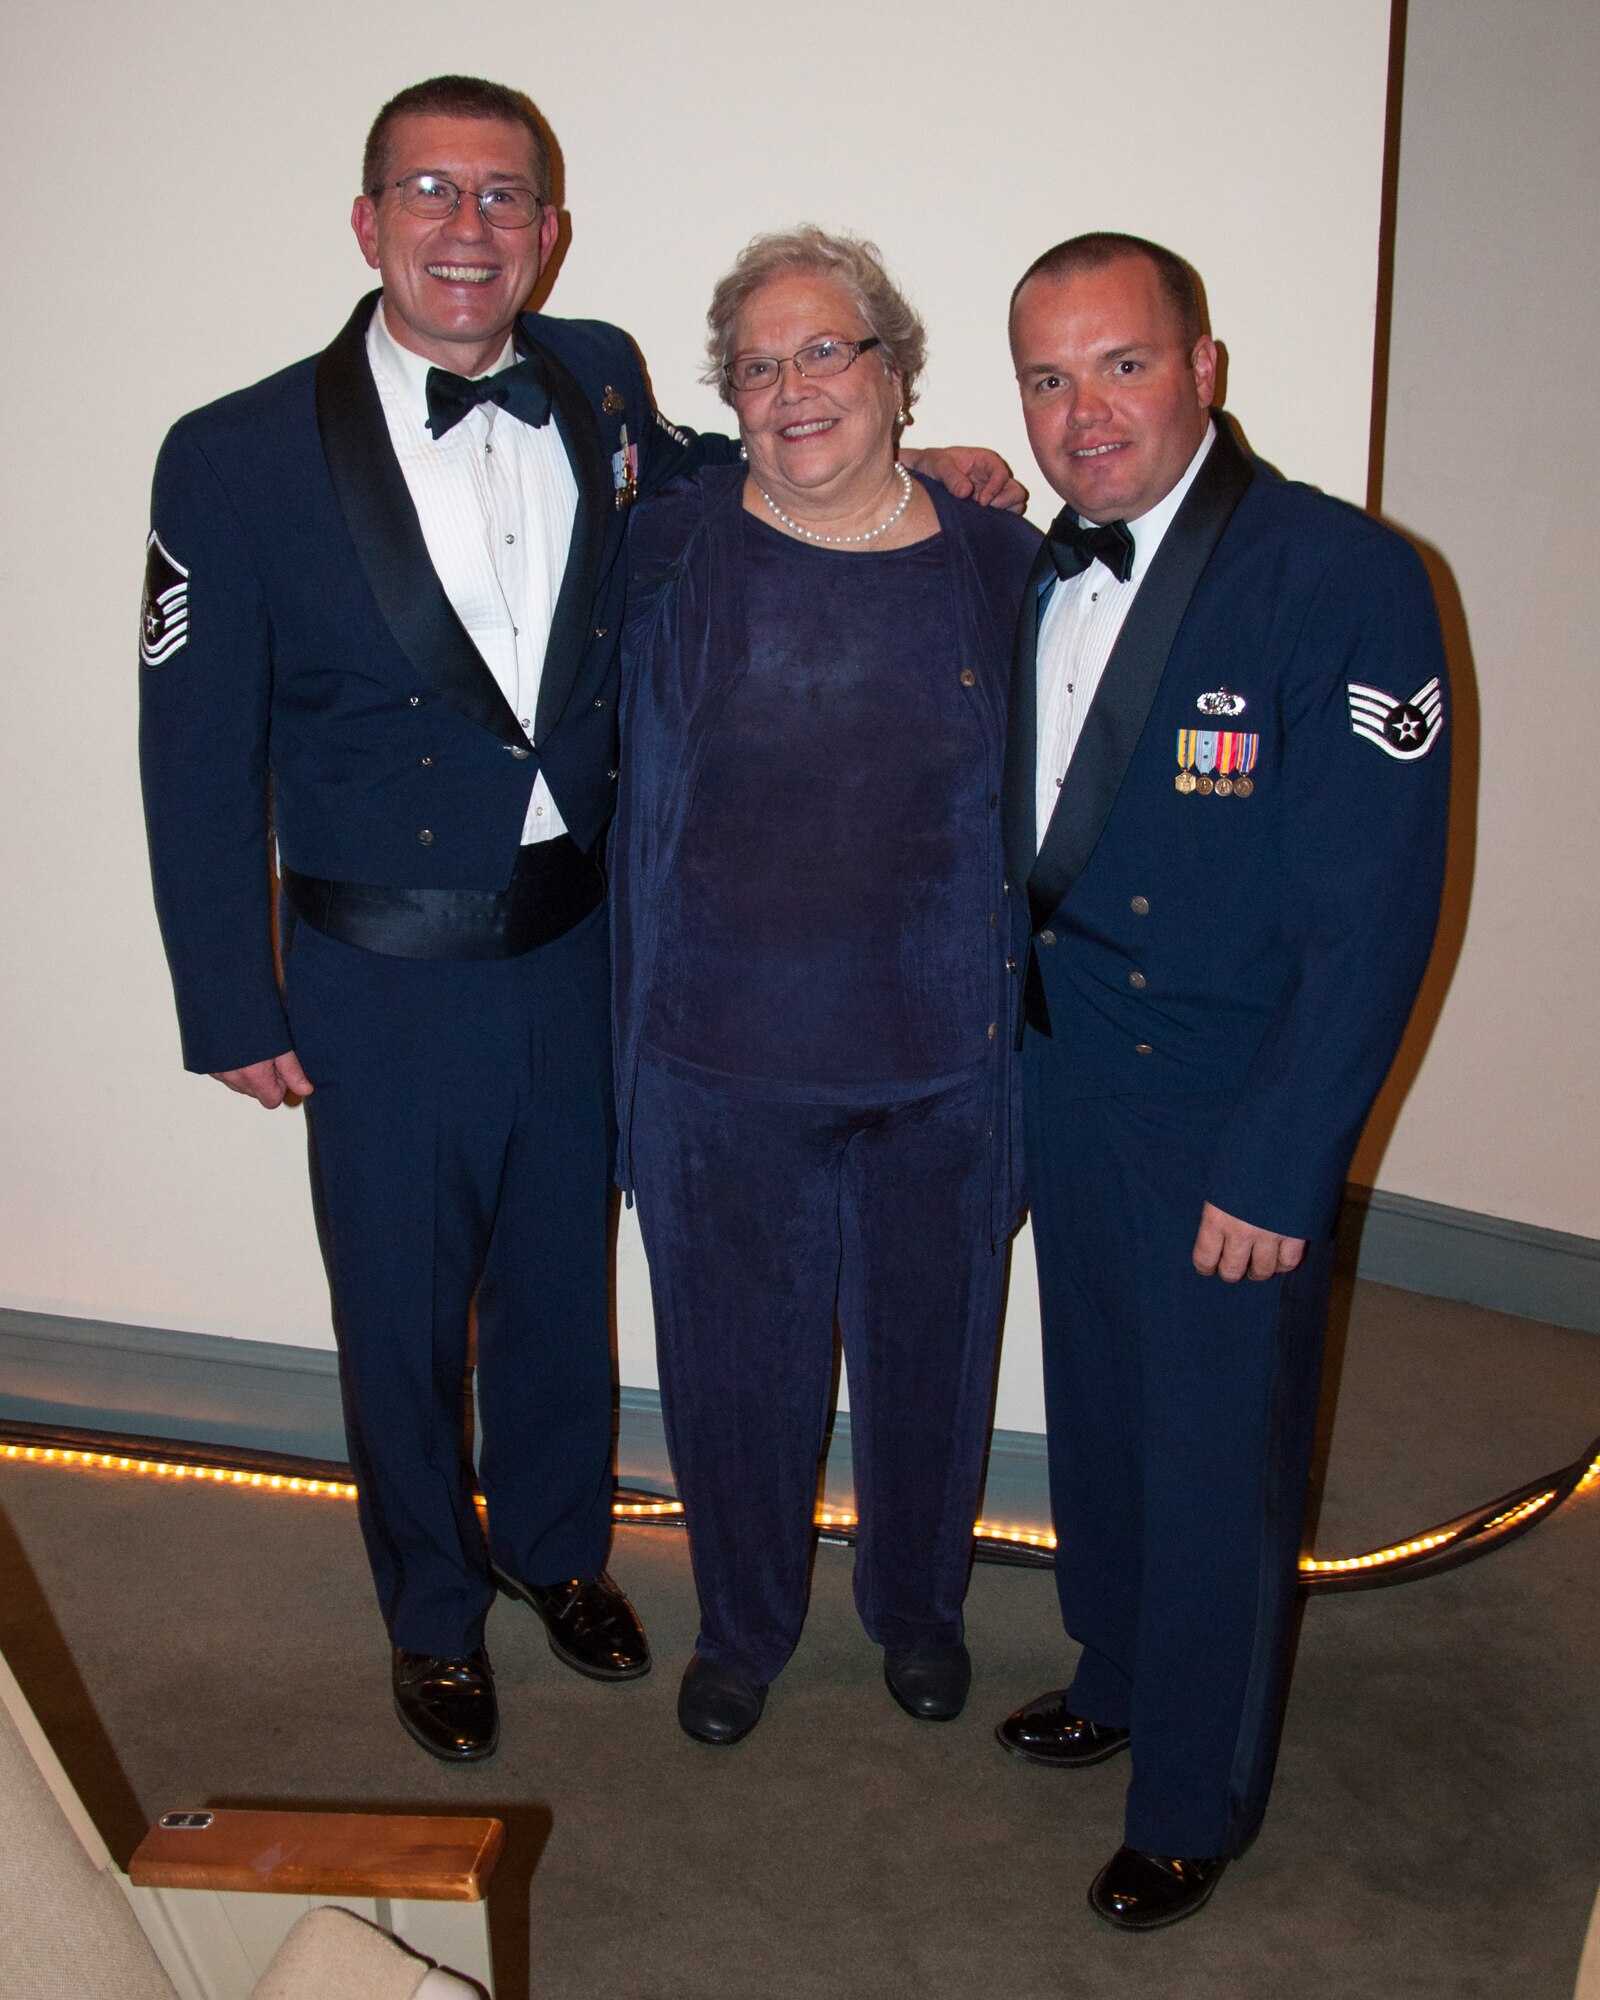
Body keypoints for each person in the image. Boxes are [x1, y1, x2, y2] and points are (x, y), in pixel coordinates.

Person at [138, 76, 1020, 1764]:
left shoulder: (600, 376)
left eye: (502, 198)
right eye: (430, 192)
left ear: (548, 232)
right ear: (368, 221)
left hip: (578, 946)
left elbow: (733, 465)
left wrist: (940, 452)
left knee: (559, 1285)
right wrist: (223, 993)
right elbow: (192, 742)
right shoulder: (234, 451)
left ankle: (555, 1554)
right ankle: (430, 1610)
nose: (467, 228)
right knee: (401, 1313)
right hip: (377, 965)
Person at [997, 233, 1450, 1927]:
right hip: (1062, 1075)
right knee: (1106, 1423)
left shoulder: (1341, 576)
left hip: (1222, 1107)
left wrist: (1285, 1162)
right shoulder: (1033, 564)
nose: (1084, 410)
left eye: (1122, 365)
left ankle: (1195, 1792)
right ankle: (1116, 1672)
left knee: (1217, 1468)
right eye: (1048, 375)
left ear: (1207, 368)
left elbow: (1373, 918)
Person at [611, 229, 1039, 1746]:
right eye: (758, 364)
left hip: (944, 1066)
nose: (795, 387)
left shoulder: (1002, 563)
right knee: (732, 1381)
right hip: (719, 1064)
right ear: (727, 397)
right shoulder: (667, 547)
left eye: (827, 353)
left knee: (936, 1365)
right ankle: (742, 1627)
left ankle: (918, 1610)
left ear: (896, 375)